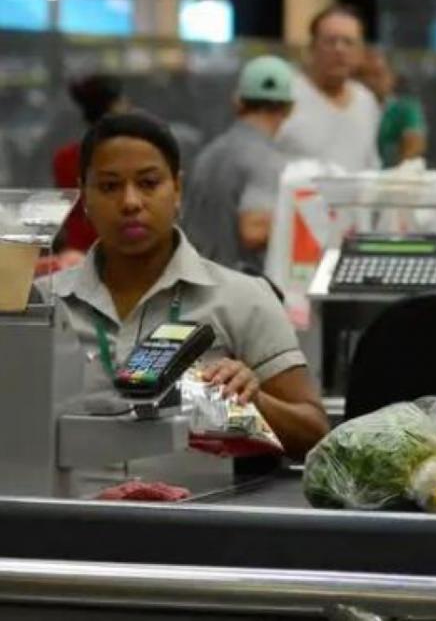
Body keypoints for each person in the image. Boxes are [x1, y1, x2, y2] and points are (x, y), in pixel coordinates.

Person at [50, 110, 329, 458]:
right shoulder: (44, 304)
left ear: (177, 189)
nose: (130, 202)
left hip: (205, 506)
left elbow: (315, 434)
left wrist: (255, 401)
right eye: (109, 186)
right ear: (84, 196)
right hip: (64, 507)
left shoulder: (243, 298)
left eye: (149, 183)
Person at [183, 56, 296, 274]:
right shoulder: (268, 161)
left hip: (196, 281)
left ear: (238, 102)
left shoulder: (209, 153)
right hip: (235, 290)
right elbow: (253, 231)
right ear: (289, 108)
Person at [277, 5, 381, 173]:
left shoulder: (366, 101)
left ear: (361, 51)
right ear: (312, 47)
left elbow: (371, 164)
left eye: (348, 42)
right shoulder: (285, 95)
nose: (339, 50)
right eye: (330, 41)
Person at [53, 74, 127, 254]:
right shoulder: (127, 156)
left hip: (77, 252)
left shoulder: (64, 157)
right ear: (113, 106)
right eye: (122, 100)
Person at [356, 47, 427, 168]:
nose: (370, 82)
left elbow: (414, 146)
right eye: (363, 75)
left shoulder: (404, 109)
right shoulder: (349, 110)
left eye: (377, 74)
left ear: (392, 77)